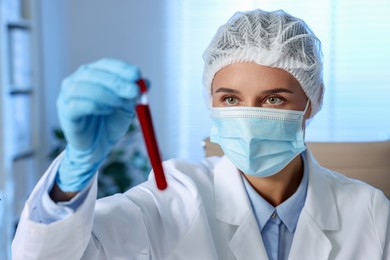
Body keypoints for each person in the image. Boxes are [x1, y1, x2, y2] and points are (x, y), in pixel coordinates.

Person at [12, 9, 389, 260]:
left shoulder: (370, 213)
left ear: (313, 101)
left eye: (272, 99)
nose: (248, 117)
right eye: (230, 98)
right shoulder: (173, 197)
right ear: (210, 101)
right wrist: (71, 178)